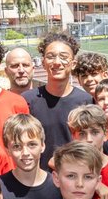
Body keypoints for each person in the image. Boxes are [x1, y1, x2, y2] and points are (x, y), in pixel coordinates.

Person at [23, 31, 92, 166]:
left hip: (74, 179)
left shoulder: (86, 101)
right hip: (37, 180)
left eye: (63, 57)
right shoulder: (28, 100)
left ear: (73, 64)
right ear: (43, 63)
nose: (57, 62)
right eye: (51, 56)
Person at [68, 104, 108, 199]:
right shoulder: (67, 170)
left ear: (105, 134)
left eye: (95, 132)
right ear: (74, 136)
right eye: (82, 134)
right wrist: (96, 184)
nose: (89, 139)